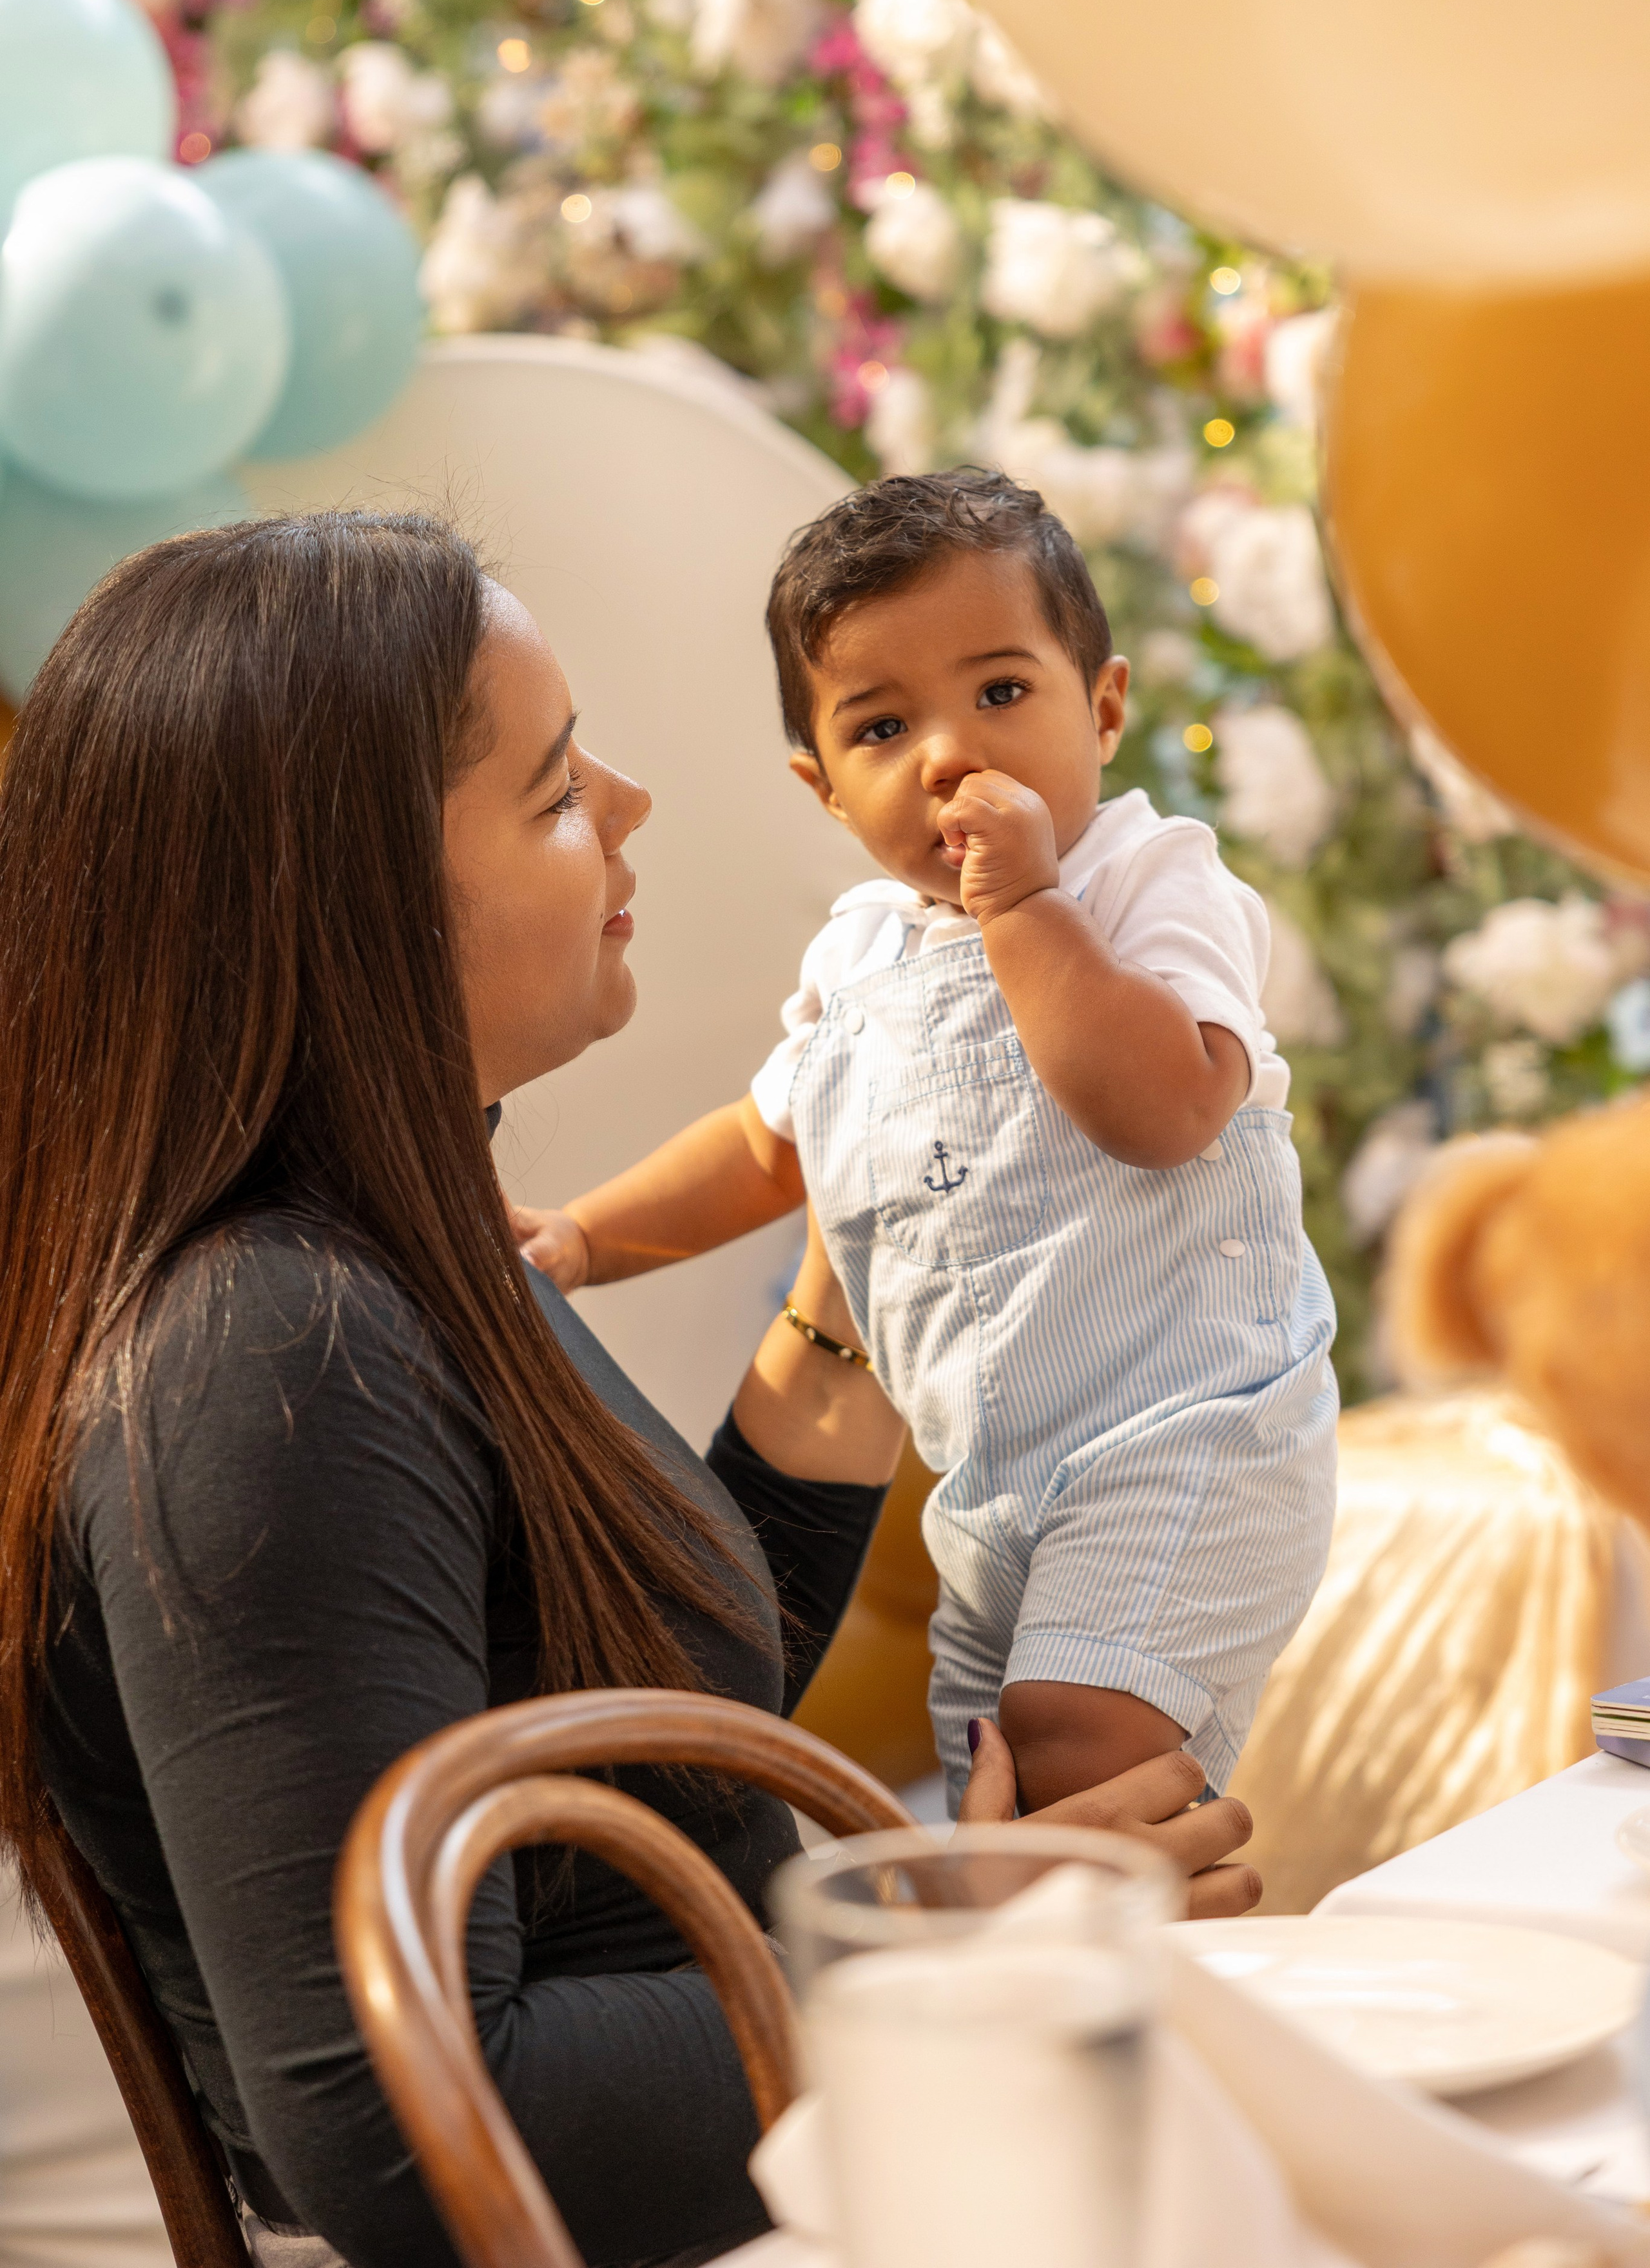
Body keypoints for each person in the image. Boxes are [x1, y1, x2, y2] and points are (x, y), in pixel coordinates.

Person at [0, 510, 1260, 2268]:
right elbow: (408, 2117)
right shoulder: (267, 1354)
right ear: (356, 905)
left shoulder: (412, 1251)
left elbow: (653, 1695)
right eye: (554, 791)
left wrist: (862, 1265)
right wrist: (954, 1959)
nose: (633, 804)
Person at [513, 471, 1340, 1818]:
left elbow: (1169, 1110)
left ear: (1104, 709)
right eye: (883, 727)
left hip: (1186, 1436)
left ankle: (1113, 1939)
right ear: (825, 790)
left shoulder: (1147, 882)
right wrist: (587, 1235)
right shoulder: (860, 958)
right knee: (990, 1775)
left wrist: (1027, 908)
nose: (949, 755)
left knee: (1076, 1744)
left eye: (1001, 692)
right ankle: (1055, 1956)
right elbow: (768, 1147)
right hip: (989, 1487)